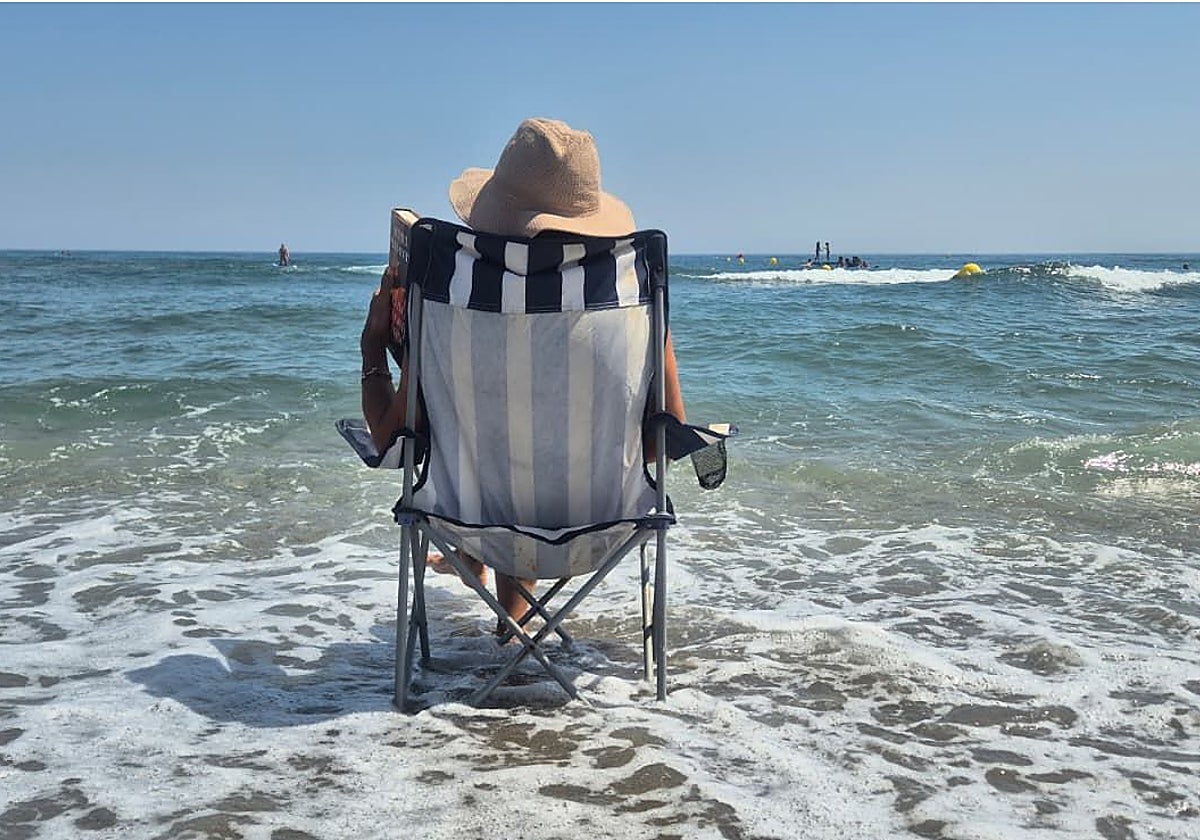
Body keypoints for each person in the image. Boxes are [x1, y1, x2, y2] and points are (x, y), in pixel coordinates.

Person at [359, 117, 687, 631]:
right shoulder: (636, 306)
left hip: (472, 523)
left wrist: (374, 346)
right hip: (601, 527)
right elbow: (659, 444)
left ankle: (486, 587)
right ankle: (512, 637)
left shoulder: (452, 305)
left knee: (506, 445)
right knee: (542, 444)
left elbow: (388, 438)